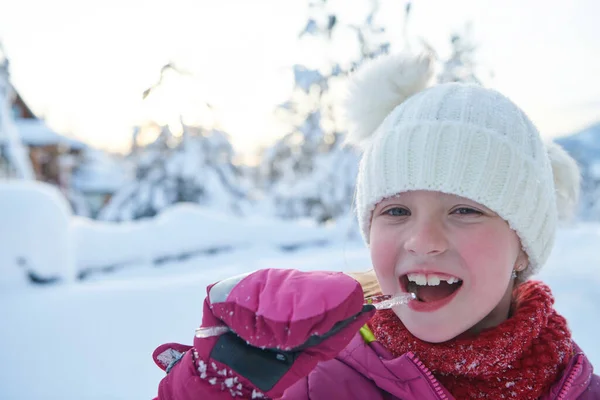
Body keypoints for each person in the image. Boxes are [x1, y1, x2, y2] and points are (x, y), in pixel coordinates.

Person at [152, 53, 599, 399]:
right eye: (396, 211)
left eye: (465, 210)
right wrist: (214, 386)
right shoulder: (312, 382)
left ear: (524, 245)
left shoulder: (576, 388)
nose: (423, 241)